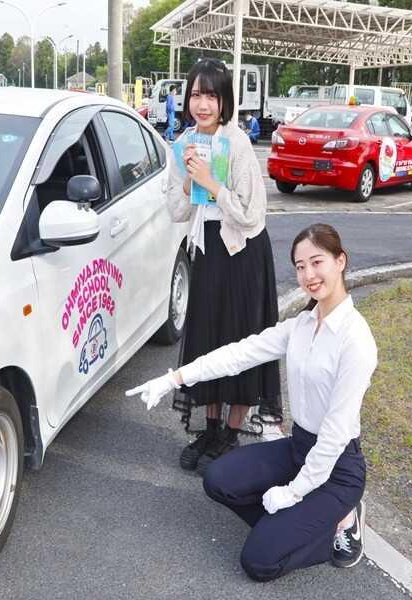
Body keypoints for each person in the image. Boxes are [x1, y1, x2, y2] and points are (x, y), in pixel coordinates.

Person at [127, 223, 377, 581]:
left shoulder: (356, 340)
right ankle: (289, 528)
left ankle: (341, 520)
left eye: (316, 262)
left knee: (259, 562)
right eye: (300, 266)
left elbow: (336, 435)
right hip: (299, 449)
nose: (308, 274)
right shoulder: (301, 326)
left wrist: (293, 493)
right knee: (218, 478)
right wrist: (175, 377)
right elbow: (240, 354)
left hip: (338, 469)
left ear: (340, 261)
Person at [159, 58, 282, 475]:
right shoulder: (184, 144)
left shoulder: (239, 143)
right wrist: (191, 181)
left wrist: (214, 184)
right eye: (196, 94)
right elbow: (177, 210)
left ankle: (230, 434)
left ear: (225, 99)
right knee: (209, 339)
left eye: (211, 95)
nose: (203, 103)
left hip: (243, 254)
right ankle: (209, 428)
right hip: (207, 252)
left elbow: (251, 214)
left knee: (241, 340)